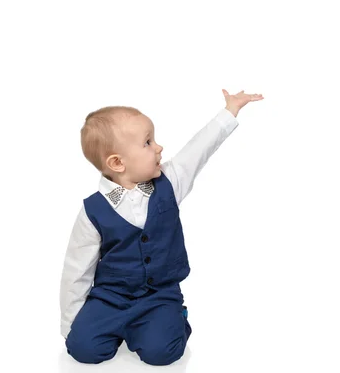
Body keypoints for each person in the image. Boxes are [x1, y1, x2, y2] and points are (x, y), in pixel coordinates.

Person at [59, 89, 264, 365]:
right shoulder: (92, 211)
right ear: (117, 163)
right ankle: (123, 329)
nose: (159, 147)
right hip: (111, 298)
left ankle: (172, 319)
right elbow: (77, 269)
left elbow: (198, 149)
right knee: (82, 349)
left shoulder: (170, 180)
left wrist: (229, 111)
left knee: (162, 353)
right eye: (147, 143)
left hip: (159, 296)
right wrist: (72, 324)